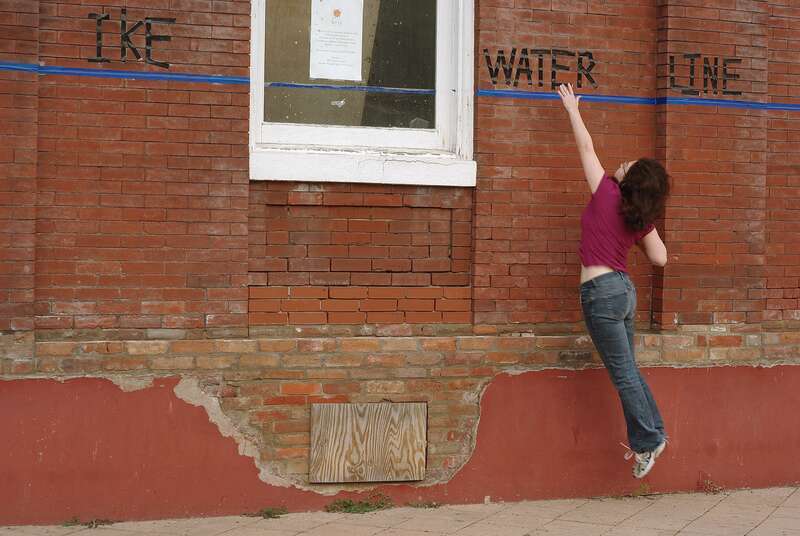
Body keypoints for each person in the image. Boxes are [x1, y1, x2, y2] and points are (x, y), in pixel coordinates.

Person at [557, 83, 670, 479]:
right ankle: (655, 434)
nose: (620, 164)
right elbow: (660, 258)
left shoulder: (606, 192)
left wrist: (573, 110)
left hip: (601, 294)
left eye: (626, 165)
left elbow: (586, 148)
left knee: (623, 374)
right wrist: (640, 229)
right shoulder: (639, 219)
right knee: (629, 370)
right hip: (623, 292)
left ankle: (647, 442)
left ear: (628, 180)